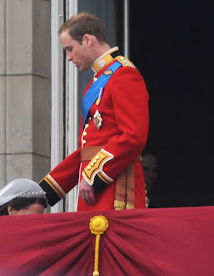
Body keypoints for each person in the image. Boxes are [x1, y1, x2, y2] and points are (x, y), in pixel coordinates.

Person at [39, 12, 149, 211]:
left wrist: (94, 175)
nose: (69, 57)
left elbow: (133, 136)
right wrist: (42, 195)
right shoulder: (96, 83)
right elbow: (88, 152)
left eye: (70, 49)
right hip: (95, 190)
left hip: (115, 190)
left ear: (87, 40)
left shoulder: (124, 75)